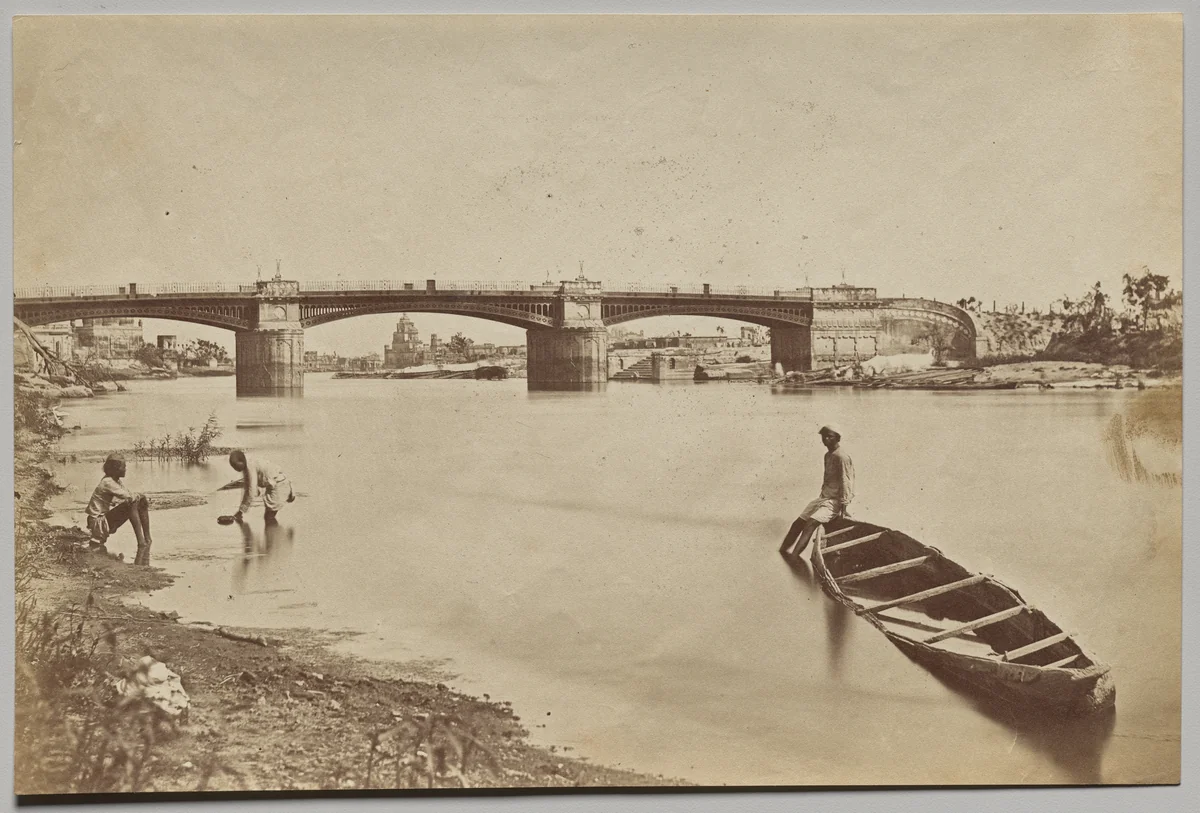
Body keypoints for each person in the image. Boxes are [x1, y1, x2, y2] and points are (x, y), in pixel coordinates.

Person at [780, 424, 855, 556]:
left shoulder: (841, 457)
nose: (826, 439)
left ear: (837, 438)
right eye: (824, 436)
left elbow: (846, 482)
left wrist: (843, 508)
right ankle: (782, 552)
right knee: (798, 522)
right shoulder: (828, 455)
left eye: (830, 437)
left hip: (835, 501)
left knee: (811, 523)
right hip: (823, 498)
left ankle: (794, 556)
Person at [86, 453, 153, 565]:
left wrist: (140, 497)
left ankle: (147, 539)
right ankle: (141, 542)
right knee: (132, 503)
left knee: (140, 501)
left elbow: (125, 495)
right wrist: (138, 496)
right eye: (123, 467)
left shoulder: (115, 481)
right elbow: (129, 496)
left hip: (101, 522)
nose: (125, 469)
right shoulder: (107, 482)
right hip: (97, 523)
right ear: (115, 469)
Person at [227, 450, 295, 524]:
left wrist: (240, 512)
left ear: (242, 461)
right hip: (273, 482)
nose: (236, 469)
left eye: (236, 465)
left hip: (278, 484)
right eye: (233, 466)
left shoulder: (250, 466)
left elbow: (251, 491)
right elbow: (249, 486)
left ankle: (278, 534)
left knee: (269, 517)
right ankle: (288, 492)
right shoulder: (247, 465)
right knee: (268, 516)